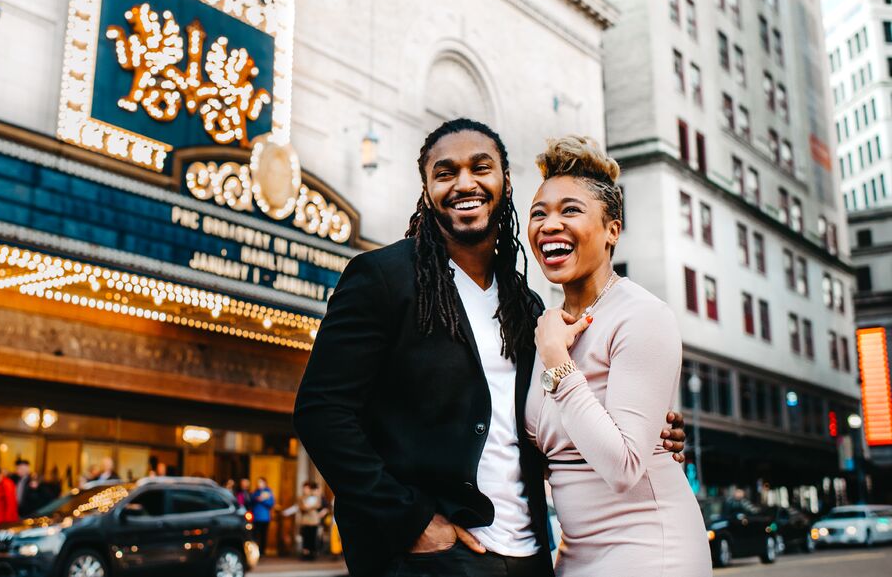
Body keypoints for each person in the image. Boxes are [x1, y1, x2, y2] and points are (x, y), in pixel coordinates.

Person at [294, 119, 686, 576]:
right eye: (445, 173)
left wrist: (648, 433)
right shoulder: (381, 279)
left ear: (504, 183)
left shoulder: (530, 307)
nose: (464, 183)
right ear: (426, 189)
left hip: (533, 558)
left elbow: (540, 423)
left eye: (481, 167)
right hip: (432, 558)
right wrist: (410, 520)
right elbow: (321, 413)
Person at [524, 135, 712, 576]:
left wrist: (558, 362)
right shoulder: (544, 327)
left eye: (570, 210)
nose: (550, 224)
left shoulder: (641, 316)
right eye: (539, 213)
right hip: (575, 557)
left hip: (651, 552)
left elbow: (624, 466)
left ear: (612, 229)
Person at [249, 478, 274, 557]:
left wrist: (262, 500)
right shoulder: (255, 492)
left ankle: (262, 551)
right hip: (256, 517)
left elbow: (271, 503)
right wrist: (255, 498)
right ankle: (255, 552)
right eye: (258, 482)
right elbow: (250, 502)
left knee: (263, 535)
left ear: (265, 483)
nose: (259, 484)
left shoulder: (268, 492)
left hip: (264, 517)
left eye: (261, 482)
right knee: (255, 535)